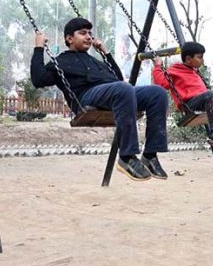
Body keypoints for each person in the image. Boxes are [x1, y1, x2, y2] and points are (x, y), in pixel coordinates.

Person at [31, 17, 169, 181]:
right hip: (86, 98)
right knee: (123, 89)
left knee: (158, 93)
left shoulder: (94, 60)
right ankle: (127, 157)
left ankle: (150, 154)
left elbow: (118, 79)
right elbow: (38, 79)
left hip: (114, 93)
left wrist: (106, 52)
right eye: (83, 33)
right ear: (69, 38)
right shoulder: (61, 61)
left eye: (90, 33)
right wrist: (39, 46)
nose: (89, 37)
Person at [152, 41, 213, 150]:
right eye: (199, 57)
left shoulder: (194, 71)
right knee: (210, 94)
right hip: (191, 104)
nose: (202, 60)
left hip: (207, 101)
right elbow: (162, 83)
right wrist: (158, 66)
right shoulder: (175, 70)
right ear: (188, 59)